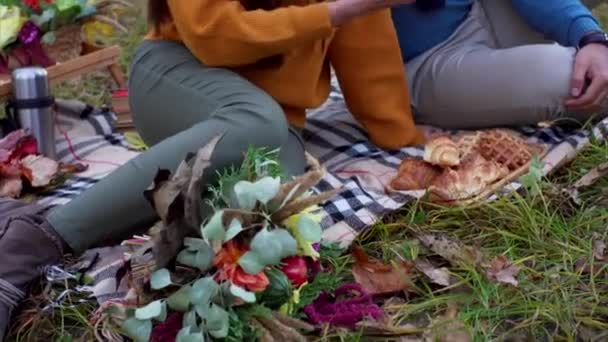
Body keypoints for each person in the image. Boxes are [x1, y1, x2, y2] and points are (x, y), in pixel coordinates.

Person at [0, 0, 424, 338]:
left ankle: (172, 275)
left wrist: (404, 138)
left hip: (275, 122)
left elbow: (370, 56)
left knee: (274, 216)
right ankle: (32, 243)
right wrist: (335, 10)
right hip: (180, 75)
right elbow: (213, 37)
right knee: (258, 124)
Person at [392, 0, 608, 129]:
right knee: (583, 81)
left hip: (476, 11)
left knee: (598, 64)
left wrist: (589, 36)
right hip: (419, 62)